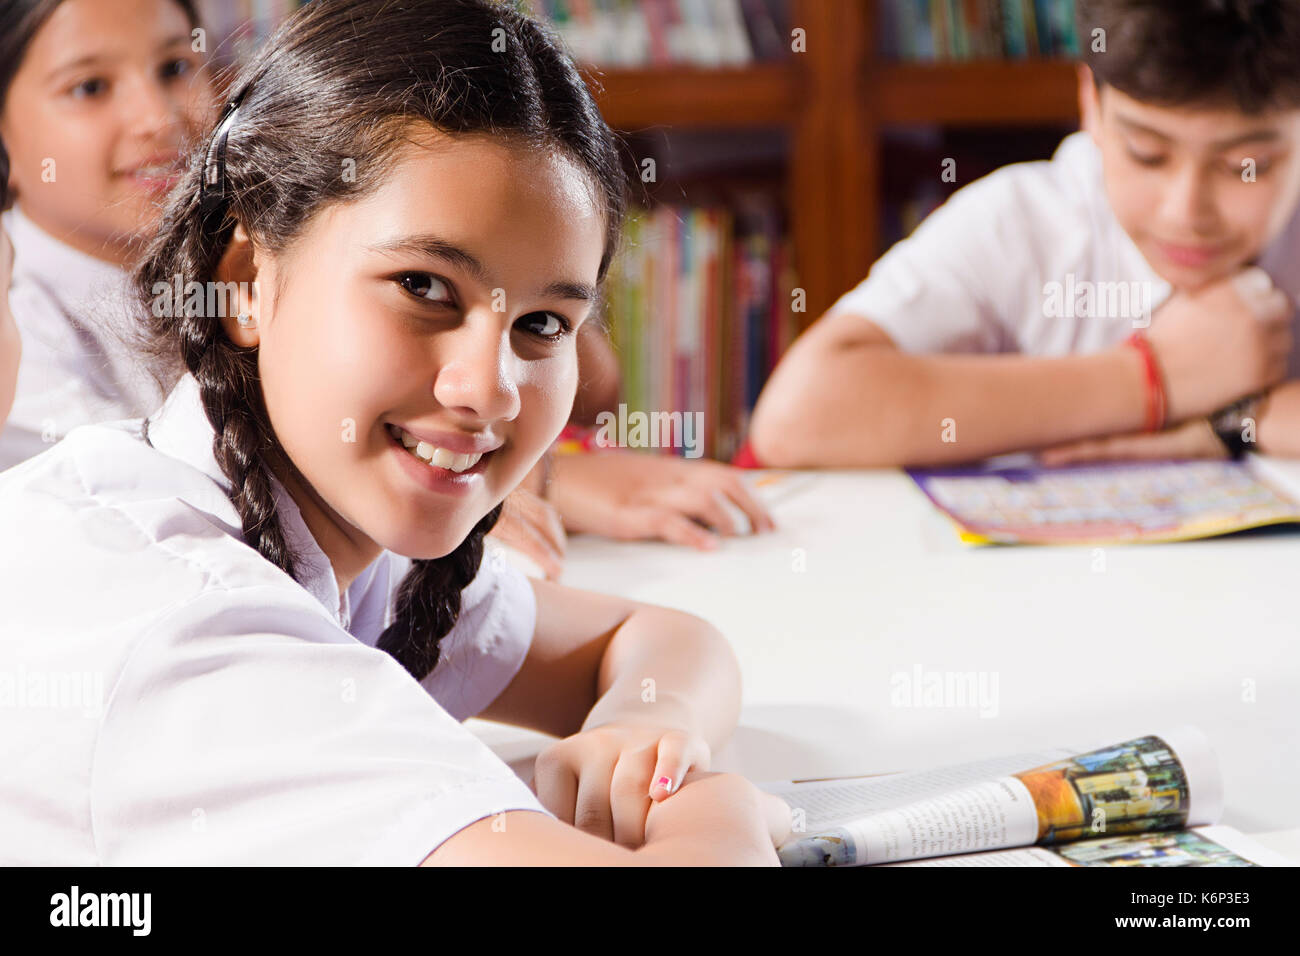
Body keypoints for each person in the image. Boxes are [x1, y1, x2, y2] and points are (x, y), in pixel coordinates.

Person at [0, 0, 787, 866]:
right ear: (247, 282)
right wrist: (720, 816)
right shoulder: (192, 631)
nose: (488, 391)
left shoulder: (334, 537)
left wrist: (647, 728)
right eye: (422, 286)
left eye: (543, 324)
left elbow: (661, 640)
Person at [748, 0, 1300, 469]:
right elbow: (801, 416)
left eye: (1245, 164)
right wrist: (1154, 378)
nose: (1186, 212)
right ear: (1090, 103)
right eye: (1147, 154)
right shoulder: (1024, 222)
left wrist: (1236, 423)